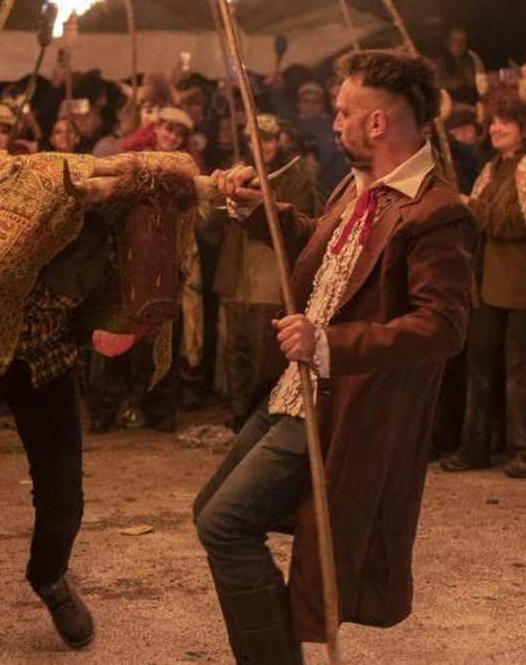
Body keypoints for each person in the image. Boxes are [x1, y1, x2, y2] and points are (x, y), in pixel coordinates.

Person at [194, 50, 475, 660]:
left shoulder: (435, 211)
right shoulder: (358, 188)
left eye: (345, 112)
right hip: (292, 394)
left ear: (378, 124)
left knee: (226, 524)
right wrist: (251, 209)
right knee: (211, 511)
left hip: (340, 405)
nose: (336, 122)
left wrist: (329, 345)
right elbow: (322, 254)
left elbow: (442, 326)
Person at [443, 98, 526, 477]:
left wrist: (468, 205)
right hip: (487, 285)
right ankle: (474, 448)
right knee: (478, 369)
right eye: (492, 122)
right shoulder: (492, 168)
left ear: (525, 128)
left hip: (524, 287)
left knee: (522, 370)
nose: (494, 128)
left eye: (504, 122)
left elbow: (515, 223)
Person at [212, 115, 323, 431]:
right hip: (236, 276)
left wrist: (264, 197)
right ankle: (238, 416)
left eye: (269, 139)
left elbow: (301, 221)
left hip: (269, 278)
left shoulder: (297, 177)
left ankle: (259, 418)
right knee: (237, 351)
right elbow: (210, 227)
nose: (263, 145)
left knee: (265, 354)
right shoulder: (234, 173)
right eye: (256, 139)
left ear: (280, 141)